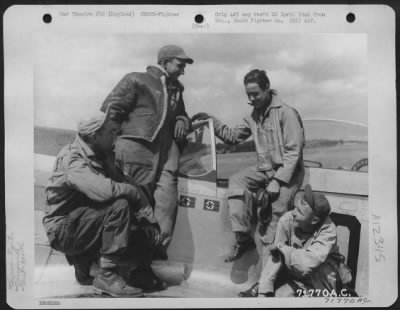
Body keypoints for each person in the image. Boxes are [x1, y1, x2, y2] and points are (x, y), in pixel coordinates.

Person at [42, 111, 165, 297]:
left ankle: (94, 268)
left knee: (143, 233)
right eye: (110, 133)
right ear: (94, 136)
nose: (115, 137)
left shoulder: (101, 154)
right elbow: (104, 192)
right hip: (63, 232)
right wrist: (131, 193)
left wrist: (149, 220)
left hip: (83, 225)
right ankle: (106, 276)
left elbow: (130, 185)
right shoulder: (72, 159)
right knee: (119, 205)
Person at [192, 69, 305, 262]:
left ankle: (265, 281)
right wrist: (212, 120)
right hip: (264, 171)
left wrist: (278, 180)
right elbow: (232, 137)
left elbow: (294, 152)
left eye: (256, 94)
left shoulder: (287, 113)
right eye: (249, 95)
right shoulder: (253, 116)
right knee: (236, 181)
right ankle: (243, 238)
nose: (252, 99)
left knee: (275, 218)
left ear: (267, 88)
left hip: (288, 174)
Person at [100, 45, 193, 258]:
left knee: (165, 212)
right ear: (165, 61)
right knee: (130, 209)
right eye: (180, 65)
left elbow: (183, 114)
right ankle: (115, 269)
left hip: (167, 157)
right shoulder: (136, 79)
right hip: (135, 150)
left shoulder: (177, 89)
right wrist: (108, 150)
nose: (183, 70)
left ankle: (145, 264)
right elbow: (111, 112)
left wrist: (181, 119)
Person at [240, 185, 353, 297]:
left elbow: (307, 264)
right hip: (297, 275)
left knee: (320, 270)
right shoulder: (287, 219)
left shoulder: (328, 230)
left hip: (322, 278)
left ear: (314, 220)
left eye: (299, 211)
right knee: (279, 295)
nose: (293, 213)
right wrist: (264, 290)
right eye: (295, 207)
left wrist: (282, 248)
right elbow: (276, 258)